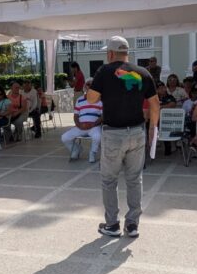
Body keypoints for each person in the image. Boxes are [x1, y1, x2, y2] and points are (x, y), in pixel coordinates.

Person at [87, 36, 158, 238]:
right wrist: (153, 127)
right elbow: (154, 104)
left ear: (110, 53)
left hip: (113, 133)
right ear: (127, 52)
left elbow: (92, 98)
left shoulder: (104, 71)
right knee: (135, 179)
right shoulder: (143, 72)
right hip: (137, 131)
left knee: (109, 180)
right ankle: (133, 224)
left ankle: (112, 225)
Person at [62, 78, 103, 163]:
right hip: (80, 126)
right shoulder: (80, 99)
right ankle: (77, 150)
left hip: (94, 126)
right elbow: (76, 115)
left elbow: (103, 116)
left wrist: (93, 124)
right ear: (85, 87)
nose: (90, 86)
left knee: (97, 137)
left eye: (92, 84)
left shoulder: (100, 100)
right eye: (88, 84)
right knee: (64, 138)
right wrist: (78, 124)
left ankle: (93, 152)